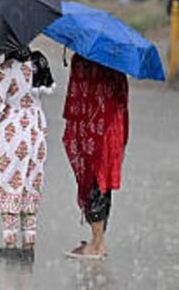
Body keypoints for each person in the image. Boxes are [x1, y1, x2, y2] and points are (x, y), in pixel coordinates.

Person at [0, 48, 54, 263]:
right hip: (36, 133)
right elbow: (41, 94)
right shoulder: (40, 63)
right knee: (29, 185)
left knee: (8, 183)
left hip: (13, 132)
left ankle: (9, 245)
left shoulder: (7, 68)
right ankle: (29, 245)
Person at [62, 54, 129, 260]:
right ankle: (98, 240)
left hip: (94, 128)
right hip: (113, 125)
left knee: (95, 181)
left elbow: (76, 96)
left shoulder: (82, 59)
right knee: (103, 182)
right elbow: (121, 95)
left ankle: (97, 244)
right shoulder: (117, 59)